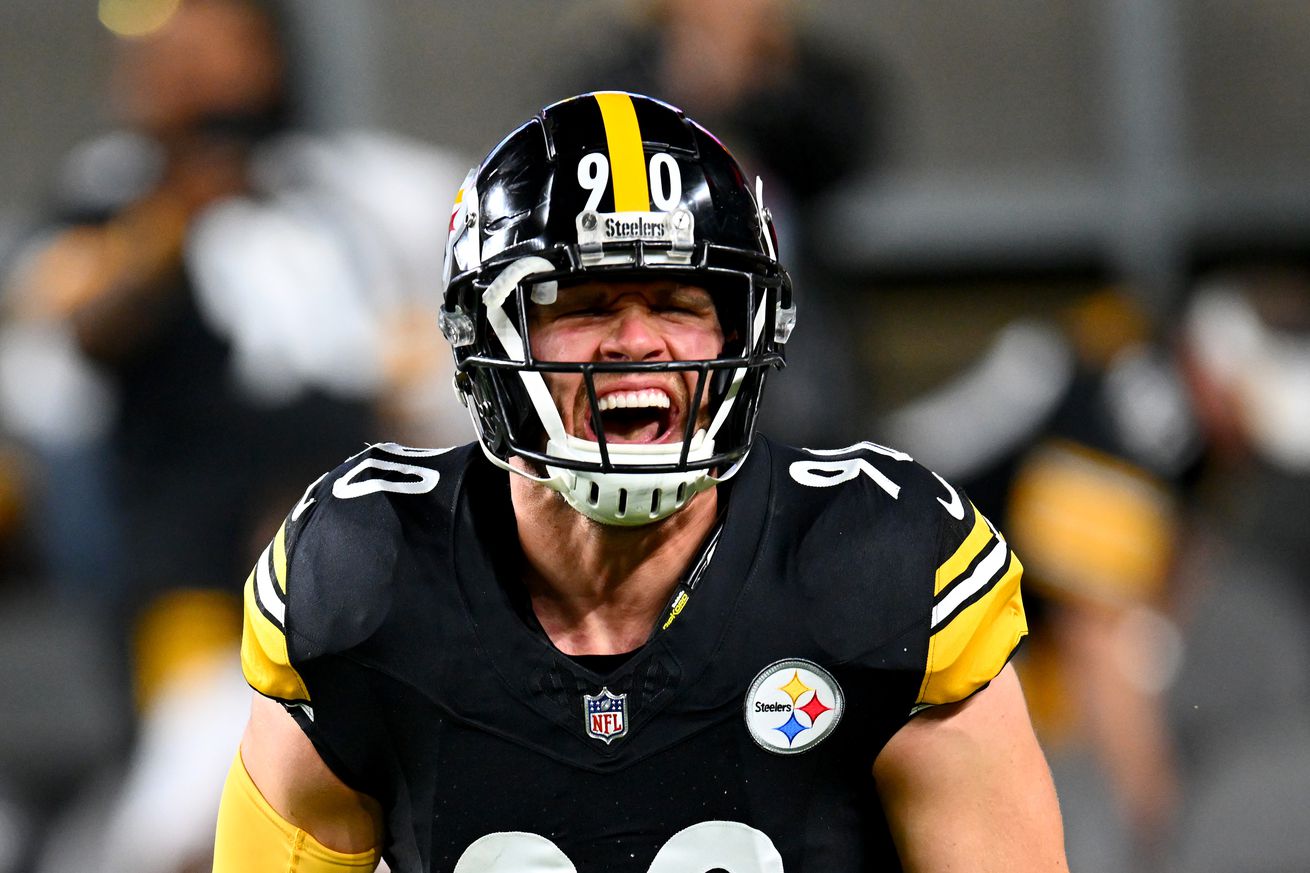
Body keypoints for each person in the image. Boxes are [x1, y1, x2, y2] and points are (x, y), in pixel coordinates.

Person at [213, 92, 1066, 872]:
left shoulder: (872, 563)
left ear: (745, 323)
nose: (636, 341)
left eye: (677, 302)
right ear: (491, 339)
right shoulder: (371, 577)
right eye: (585, 304)